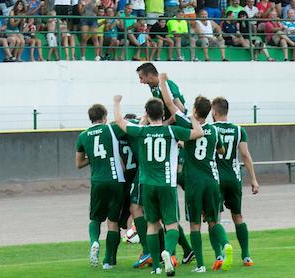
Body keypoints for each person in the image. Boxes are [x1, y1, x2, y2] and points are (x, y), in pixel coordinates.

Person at [113, 95, 203, 276]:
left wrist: (116, 102)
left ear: (147, 113)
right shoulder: (172, 131)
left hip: (147, 185)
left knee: (152, 225)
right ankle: (168, 252)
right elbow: (198, 133)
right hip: (166, 184)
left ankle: (156, 266)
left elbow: (119, 121)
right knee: (171, 224)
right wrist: (192, 117)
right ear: (163, 114)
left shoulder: (141, 132)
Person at [181, 96, 231, 272]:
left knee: (195, 224)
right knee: (213, 221)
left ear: (195, 110)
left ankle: (201, 265)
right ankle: (225, 245)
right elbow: (222, 150)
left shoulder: (188, 128)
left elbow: (180, 142)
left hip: (194, 182)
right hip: (212, 180)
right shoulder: (214, 130)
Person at [76, 103, 128, 269]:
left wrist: (93, 157)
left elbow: (79, 163)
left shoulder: (83, 136)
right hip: (115, 180)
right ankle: (108, 261)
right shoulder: (112, 128)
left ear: (91, 118)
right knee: (113, 222)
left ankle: (94, 242)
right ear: (105, 116)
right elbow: (131, 126)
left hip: (97, 181)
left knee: (95, 218)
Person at [210, 97, 259, 267]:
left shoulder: (210, 129)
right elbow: (245, 155)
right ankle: (246, 256)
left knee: (214, 218)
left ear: (214, 112)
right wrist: (253, 179)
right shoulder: (239, 130)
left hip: (215, 178)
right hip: (234, 177)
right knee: (238, 216)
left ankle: (219, 255)